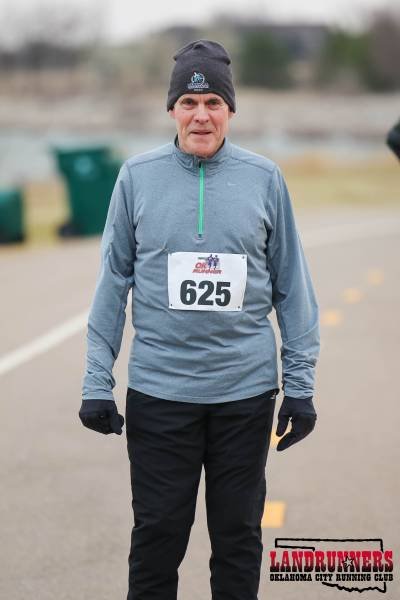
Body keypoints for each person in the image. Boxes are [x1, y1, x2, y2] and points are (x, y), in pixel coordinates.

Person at [79, 39, 320, 600]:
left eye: (214, 102)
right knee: (158, 536)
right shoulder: (136, 177)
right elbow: (112, 284)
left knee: (237, 537)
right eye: (189, 103)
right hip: (160, 394)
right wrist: (95, 382)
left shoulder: (265, 178)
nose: (201, 115)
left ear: (230, 110)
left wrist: (301, 387)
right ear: (172, 110)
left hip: (245, 395)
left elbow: (293, 289)